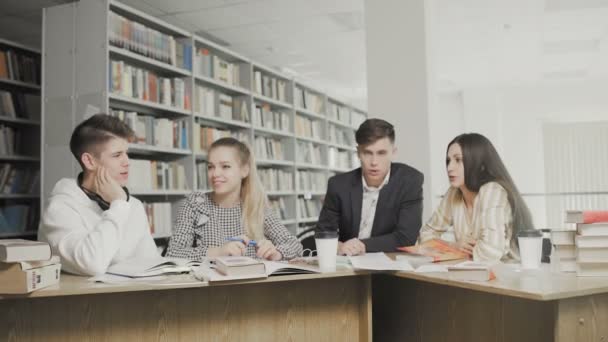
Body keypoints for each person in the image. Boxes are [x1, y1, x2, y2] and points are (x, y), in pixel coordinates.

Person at [39, 114, 158, 276]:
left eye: (126, 153)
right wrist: (118, 205)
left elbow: (152, 265)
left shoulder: (133, 205)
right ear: (89, 161)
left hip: (129, 297)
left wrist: (120, 203)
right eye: (117, 155)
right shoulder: (59, 208)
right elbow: (91, 264)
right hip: (80, 300)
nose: (127, 162)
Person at [166, 137, 302, 261]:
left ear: (244, 171)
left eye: (225, 166)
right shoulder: (195, 203)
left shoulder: (255, 205)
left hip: (251, 285)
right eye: (210, 167)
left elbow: (294, 245)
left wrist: (276, 252)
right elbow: (173, 253)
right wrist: (218, 252)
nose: (215, 174)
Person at [419, 133, 534, 262]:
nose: (450, 168)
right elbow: (425, 235)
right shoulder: (454, 193)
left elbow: (490, 252)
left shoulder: (492, 190)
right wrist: (452, 246)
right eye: (448, 161)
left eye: (458, 160)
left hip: (506, 276)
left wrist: (452, 250)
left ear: (479, 163)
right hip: (470, 274)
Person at [316, 118, 424, 255]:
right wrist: (338, 246)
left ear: (393, 152)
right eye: (367, 153)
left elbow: (406, 237)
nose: (374, 162)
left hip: (388, 265)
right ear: (358, 152)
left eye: (381, 153)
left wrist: (362, 246)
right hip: (347, 263)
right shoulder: (338, 185)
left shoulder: (410, 181)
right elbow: (323, 232)